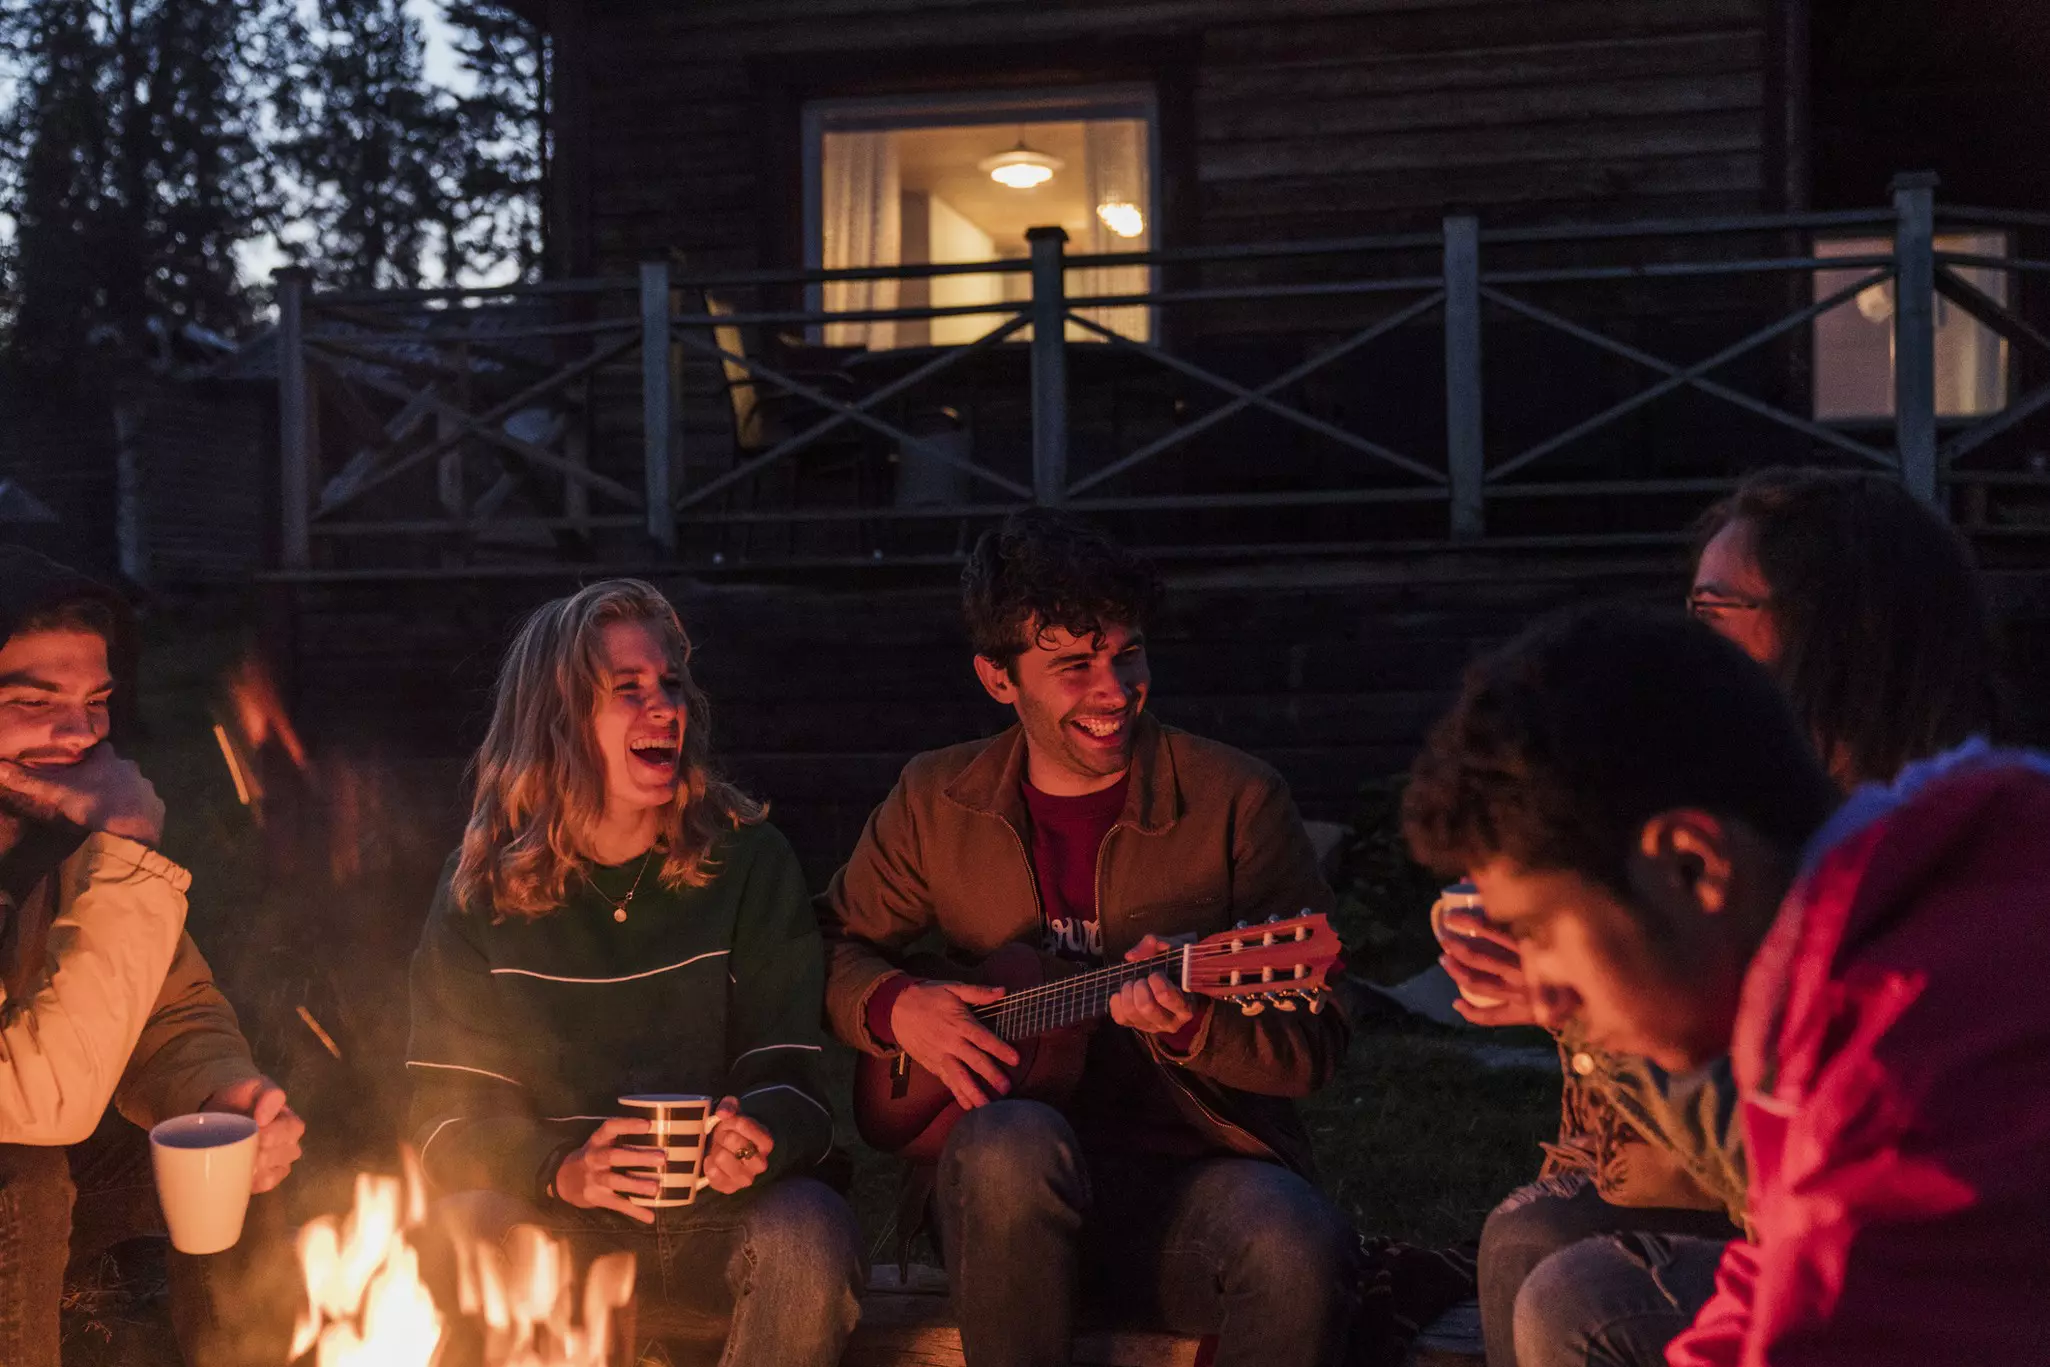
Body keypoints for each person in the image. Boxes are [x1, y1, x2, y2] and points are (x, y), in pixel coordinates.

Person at [1438, 468, 2003, 1367]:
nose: (1686, 639)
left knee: (1572, 1287)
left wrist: (1588, 1010)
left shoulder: (1939, 923)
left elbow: (1806, 1236)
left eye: (1711, 609)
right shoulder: (1825, 849)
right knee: (1533, 1235)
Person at [816, 509, 1360, 1367]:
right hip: (1004, 1198)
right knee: (1007, 1141)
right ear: (999, 679)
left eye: (1128, 653)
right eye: (1074, 666)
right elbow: (829, 943)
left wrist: (1193, 1024)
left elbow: (1319, 1037)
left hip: (1192, 1178)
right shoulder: (935, 798)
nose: (1114, 691)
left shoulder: (1237, 800)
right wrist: (895, 1005)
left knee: (1297, 1243)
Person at [406, 579, 861, 1367]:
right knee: (466, 1223)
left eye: (671, 685)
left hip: (724, 1216)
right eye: (628, 690)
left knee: (809, 1231)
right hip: (560, 1223)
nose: (665, 708)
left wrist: (761, 1135)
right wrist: (561, 1172)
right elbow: (445, 1119)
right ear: (556, 720)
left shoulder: (747, 860)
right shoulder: (480, 892)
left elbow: (794, 1080)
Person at [0, 547, 304, 1367]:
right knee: (16, 1183)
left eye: (96, 700)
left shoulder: (53, 839)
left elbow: (168, 1007)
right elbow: (32, 1103)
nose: (80, 733)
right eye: (33, 700)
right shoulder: (103, 834)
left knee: (230, 1152)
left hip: (49, 1136)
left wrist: (212, 1086)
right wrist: (129, 845)